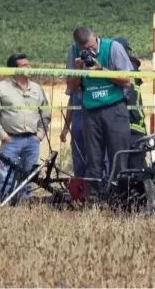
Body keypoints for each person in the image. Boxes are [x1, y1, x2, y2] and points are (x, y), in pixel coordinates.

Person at [65, 26, 133, 197]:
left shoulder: (112, 48)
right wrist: (78, 69)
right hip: (90, 111)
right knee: (93, 160)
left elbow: (127, 81)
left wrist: (101, 70)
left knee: (118, 158)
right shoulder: (73, 52)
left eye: (91, 47)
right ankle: (94, 199)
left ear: (95, 36)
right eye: (84, 49)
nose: (88, 52)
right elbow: (72, 87)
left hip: (114, 108)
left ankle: (119, 199)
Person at [0, 53, 52, 200]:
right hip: (11, 140)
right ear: (14, 69)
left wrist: (40, 135)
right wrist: (4, 137)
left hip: (32, 140)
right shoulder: (1, 88)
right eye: (24, 65)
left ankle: (23, 201)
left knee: (28, 175)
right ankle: (4, 200)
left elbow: (45, 114)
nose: (29, 67)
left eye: (28, 64)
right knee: (6, 174)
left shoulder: (37, 88)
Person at [114, 37, 148, 169]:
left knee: (129, 171)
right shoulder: (133, 71)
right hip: (137, 127)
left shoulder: (124, 73)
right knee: (138, 169)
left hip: (129, 128)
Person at [60, 89, 88, 178]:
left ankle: (97, 189)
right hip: (77, 130)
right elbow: (71, 104)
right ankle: (80, 189)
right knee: (78, 163)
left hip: (94, 128)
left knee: (96, 162)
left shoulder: (95, 80)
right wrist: (65, 128)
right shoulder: (74, 82)